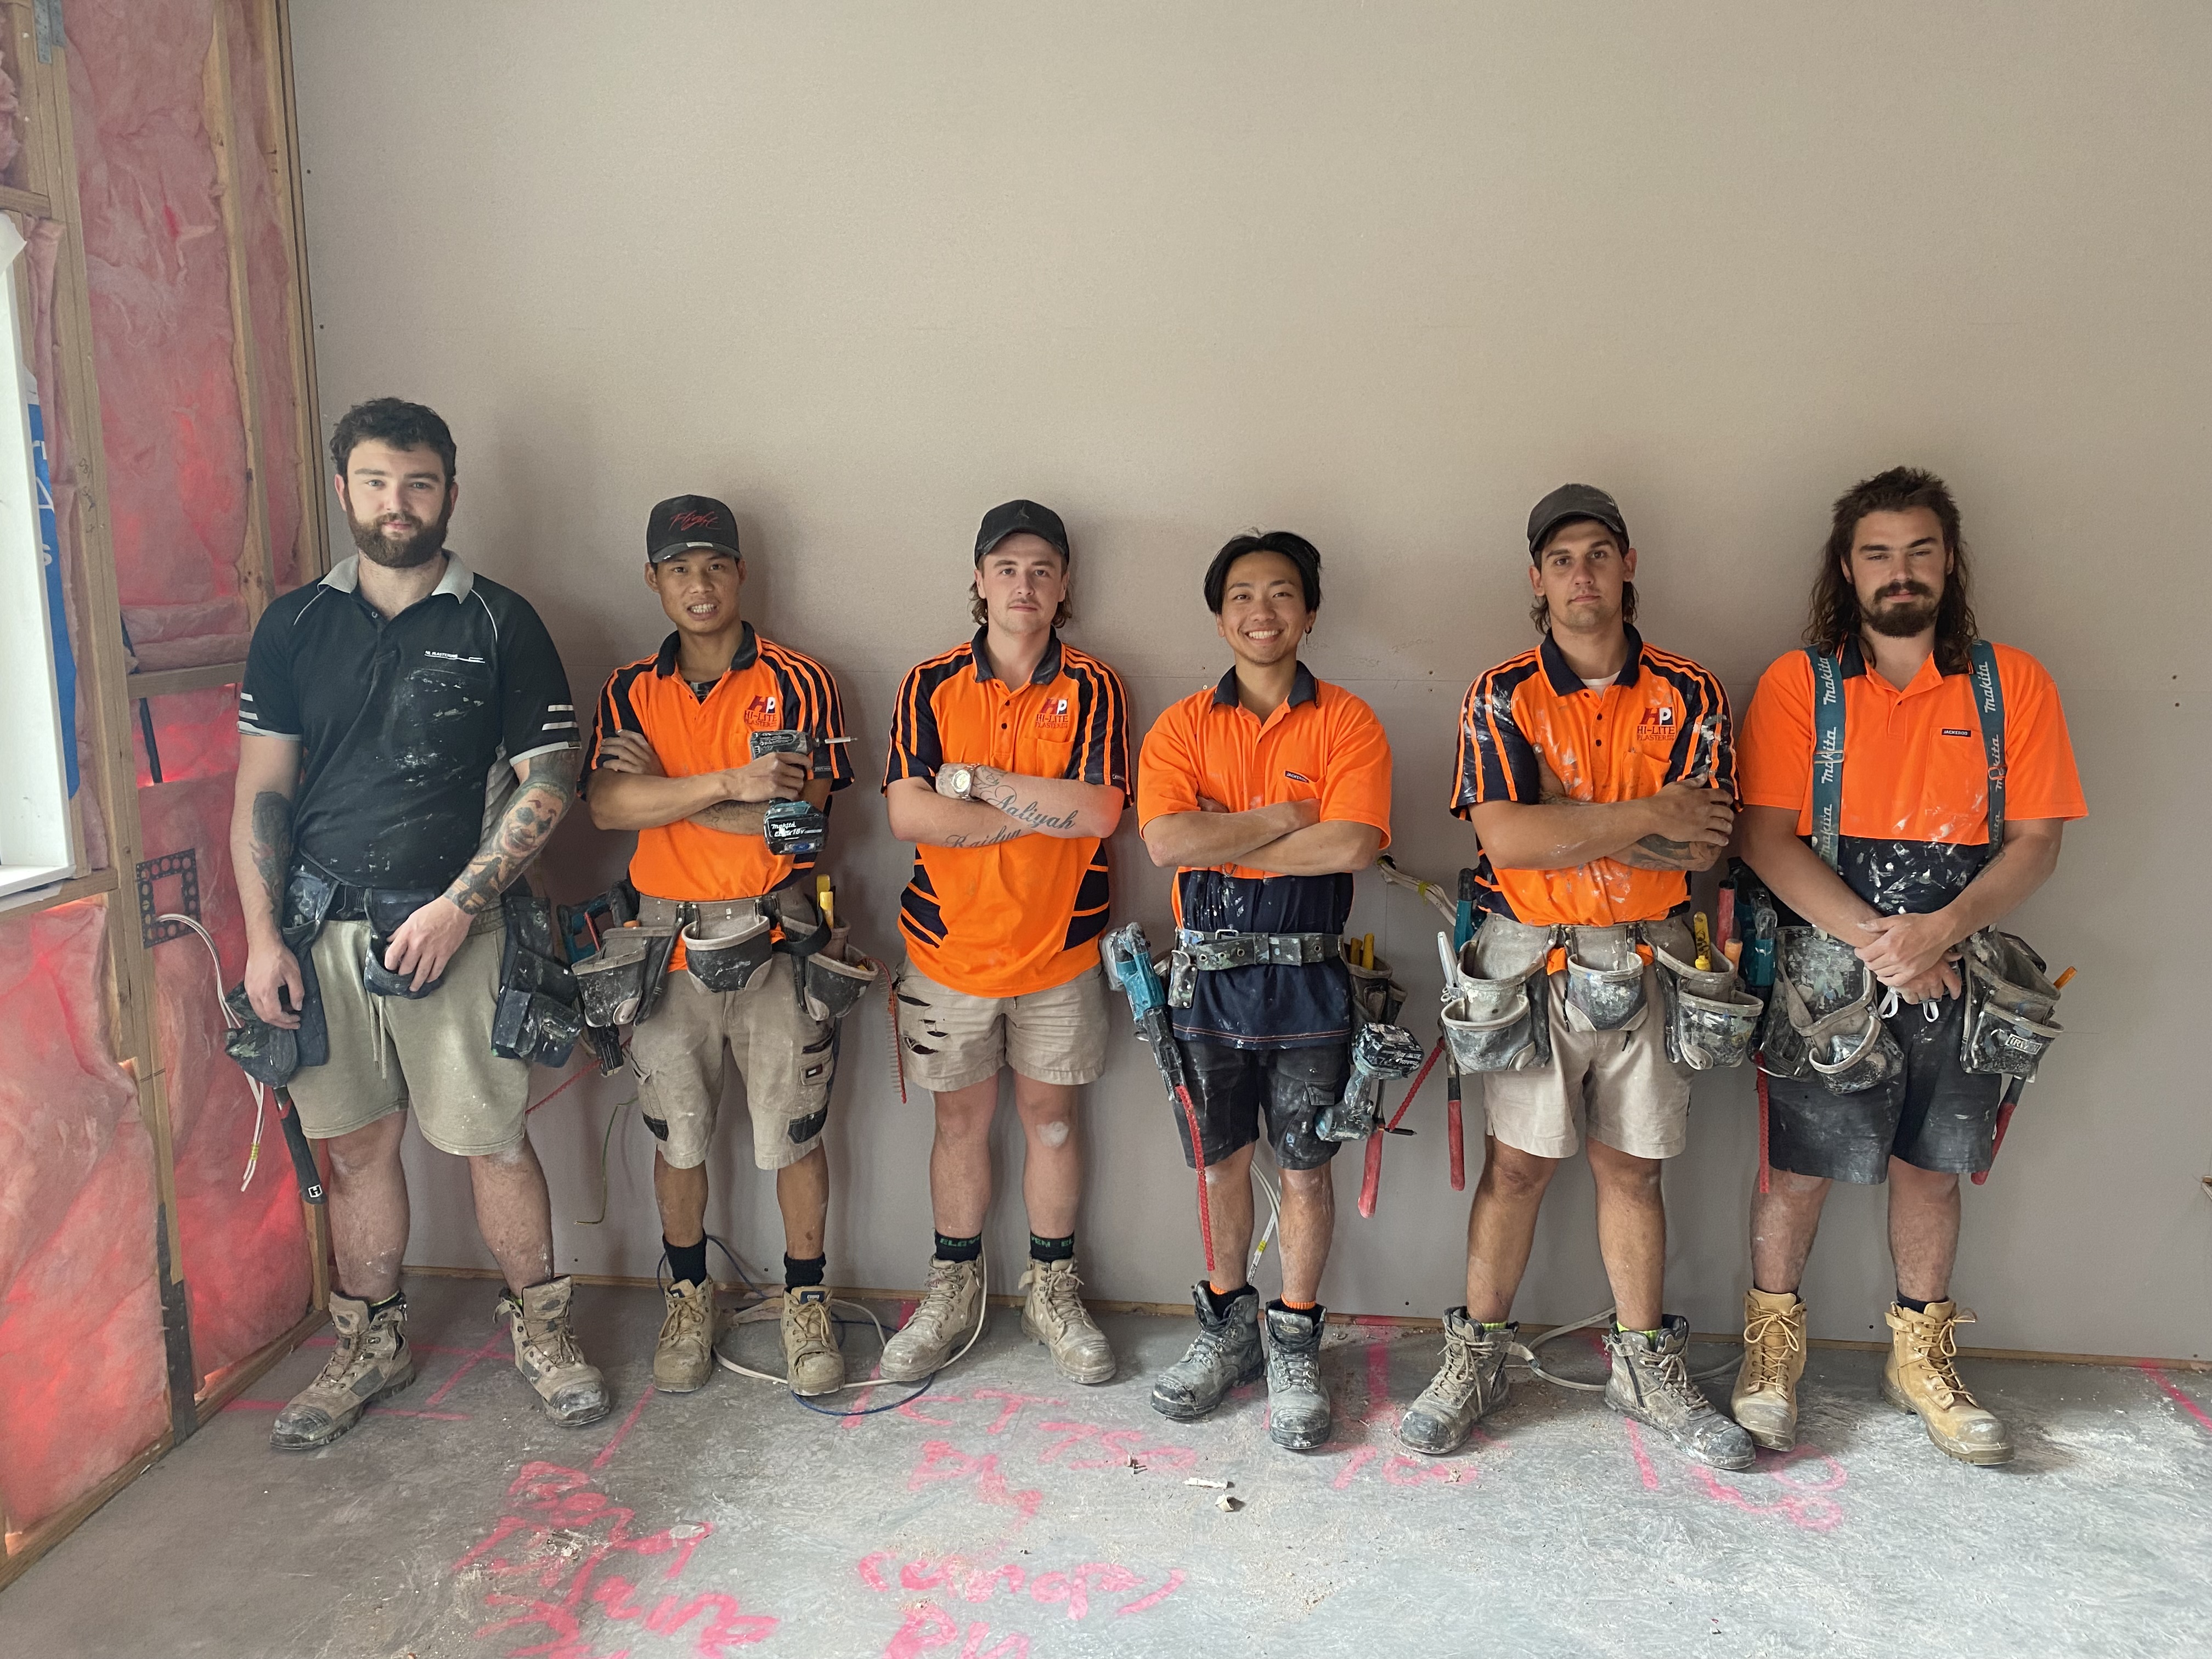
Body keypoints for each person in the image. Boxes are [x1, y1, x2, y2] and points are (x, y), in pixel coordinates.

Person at [232, 397, 605, 1448]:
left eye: (421, 484)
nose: (399, 505)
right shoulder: (295, 627)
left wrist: (459, 906)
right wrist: (265, 939)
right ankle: (370, 1345)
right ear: (345, 488)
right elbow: (261, 793)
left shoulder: (500, 621)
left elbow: (549, 782)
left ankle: (544, 1333)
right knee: (354, 1149)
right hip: (321, 935)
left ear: (451, 491)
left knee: (493, 1139)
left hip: (459, 931)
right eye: (378, 483)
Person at [1731, 466, 2083, 1465]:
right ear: (1848, 569)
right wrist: (1881, 942)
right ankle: (1771, 1356)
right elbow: (1764, 838)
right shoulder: (1802, 685)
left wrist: (1938, 934)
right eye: (1879, 554)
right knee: (1797, 1173)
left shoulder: (2012, 684)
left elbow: (2037, 843)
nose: (1901, 573)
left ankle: (1920, 1357)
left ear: (1949, 563)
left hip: (1960, 966)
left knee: (1931, 1172)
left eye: (1920, 552)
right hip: (1825, 975)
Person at [1402, 484, 1753, 1470]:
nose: (1582, 575)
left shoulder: (1691, 692)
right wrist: (1638, 813)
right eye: (1562, 560)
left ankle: (1643, 1368)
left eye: (1599, 554)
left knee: (1633, 1170)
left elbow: (1695, 849)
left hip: (1651, 950)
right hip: (1526, 955)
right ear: (1536, 579)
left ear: (1629, 564)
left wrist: (1571, 819)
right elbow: (1507, 838)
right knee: (1516, 1167)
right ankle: (1477, 1357)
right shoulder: (1500, 692)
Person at [585, 495, 855, 1396]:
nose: (698, 587)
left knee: (794, 1135)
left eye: (713, 567)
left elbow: (799, 817)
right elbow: (606, 808)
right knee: (679, 1137)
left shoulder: (801, 680)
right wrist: (733, 783)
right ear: (653, 580)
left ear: (740, 573)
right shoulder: (630, 687)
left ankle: (807, 1303)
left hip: (776, 930)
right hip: (665, 941)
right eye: (678, 569)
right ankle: (690, 1298)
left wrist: (672, 790)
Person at [1135, 531, 1392, 1452]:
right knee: (1218, 1165)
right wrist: (1287, 818)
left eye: (1282, 594)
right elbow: (1166, 843)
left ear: (1310, 612)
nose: (1262, 612)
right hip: (1205, 982)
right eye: (1243, 596)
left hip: (1312, 983)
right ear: (1220, 616)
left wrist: (1227, 834)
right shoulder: (1179, 728)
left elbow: (1353, 845)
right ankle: (1224, 1332)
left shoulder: (1349, 724)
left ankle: (1292, 1342)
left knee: (1307, 1167)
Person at [878, 500, 1131, 1384]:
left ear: (1065, 589)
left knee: (1054, 1123)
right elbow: (910, 813)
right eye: (1007, 568)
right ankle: (953, 1289)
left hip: (1059, 955)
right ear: (979, 582)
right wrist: (1035, 812)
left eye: (1042, 570)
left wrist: (978, 788)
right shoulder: (929, 684)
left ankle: (1052, 1292)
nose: (1024, 585)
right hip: (948, 954)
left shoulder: (1095, 687)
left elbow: (1098, 813)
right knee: (959, 1123)